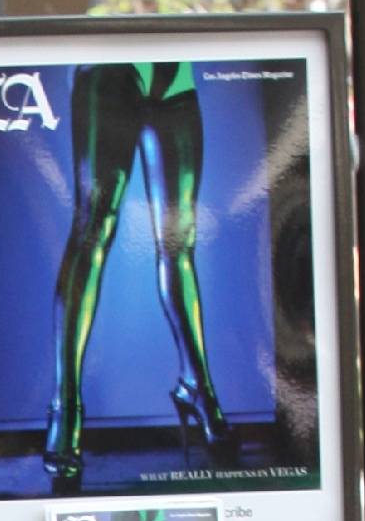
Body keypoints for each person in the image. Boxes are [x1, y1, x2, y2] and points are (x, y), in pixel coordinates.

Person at [44, 62, 234, 493]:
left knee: (179, 243)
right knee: (93, 231)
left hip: (176, 82)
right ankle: (66, 407)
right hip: (108, 72)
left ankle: (198, 387)